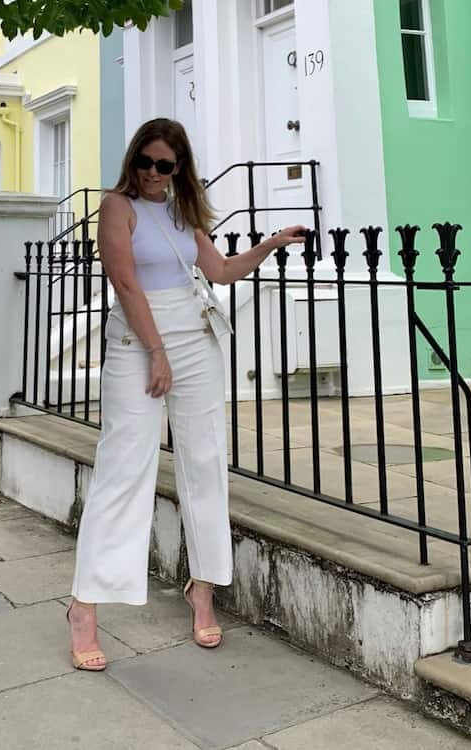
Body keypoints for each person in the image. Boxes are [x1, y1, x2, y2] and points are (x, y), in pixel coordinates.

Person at [67, 117, 306, 671]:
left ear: (180, 168)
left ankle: (203, 590)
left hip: (194, 338)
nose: (153, 174)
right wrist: (155, 351)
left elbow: (219, 271)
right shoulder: (116, 206)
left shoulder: (181, 209)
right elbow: (125, 282)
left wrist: (270, 243)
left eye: (165, 165)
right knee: (125, 467)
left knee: (204, 463)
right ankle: (85, 606)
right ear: (134, 161)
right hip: (138, 341)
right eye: (145, 162)